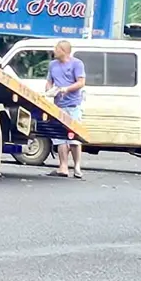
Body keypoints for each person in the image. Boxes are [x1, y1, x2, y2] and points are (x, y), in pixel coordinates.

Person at [45, 39, 87, 179]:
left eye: (56, 49)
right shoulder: (52, 65)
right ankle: (63, 166)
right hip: (58, 105)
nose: (54, 51)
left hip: (73, 104)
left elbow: (81, 82)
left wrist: (66, 89)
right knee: (59, 137)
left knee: (73, 137)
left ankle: (77, 167)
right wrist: (49, 91)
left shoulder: (77, 63)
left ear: (63, 51)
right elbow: (49, 82)